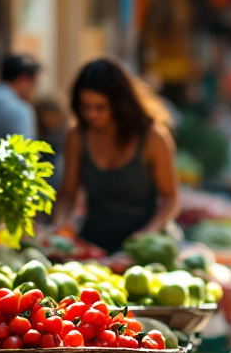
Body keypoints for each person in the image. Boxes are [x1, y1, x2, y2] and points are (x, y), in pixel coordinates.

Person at [53, 58, 181, 253]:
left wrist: (149, 232)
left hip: (143, 247)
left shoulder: (152, 137)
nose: (91, 115)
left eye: (100, 107)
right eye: (85, 107)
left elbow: (170, 198)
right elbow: (68, 195)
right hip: (94, 243)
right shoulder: (77, 136)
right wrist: (61, 225)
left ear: (119, 104)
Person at [34, 96, 69, 192]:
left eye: (54, 116)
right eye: (47, 116)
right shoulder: (36, 133)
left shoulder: (65, 135)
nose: (50, 120)